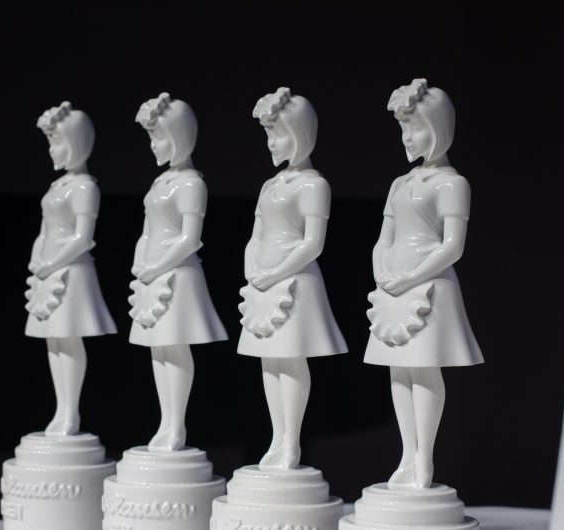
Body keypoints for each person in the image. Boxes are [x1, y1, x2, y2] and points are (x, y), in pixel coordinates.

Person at [364, 78, 483, 488]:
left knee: (424, 369)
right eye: (403, 127)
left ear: (438, 128)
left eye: (414, 127)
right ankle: (407, 455)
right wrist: (381, 272)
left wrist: (411, 277)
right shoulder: (400, 184)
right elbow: (383, 238)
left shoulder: (452, 184)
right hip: (394, 286)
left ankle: (424, 461)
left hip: (428, 287)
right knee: (399, 371)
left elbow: (453, 246)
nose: (407, 136)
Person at [238, 87, 347, 470]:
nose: (272, 142)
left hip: (294, 283)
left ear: (300, 133)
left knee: (291, 358)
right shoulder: (270, 186)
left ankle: (292, 442)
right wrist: (253, 269)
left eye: (279, 132)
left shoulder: (314, 185)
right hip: (264, 282)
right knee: (269, 361)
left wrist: (275, 272)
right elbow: (256, 235)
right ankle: (277, 437)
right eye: (269, 133)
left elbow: (313, 243)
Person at [129, 93, 227, 452]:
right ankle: (165, 421)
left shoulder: (191, 184)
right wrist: (140, 262)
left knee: (176, 346)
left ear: (179, 135)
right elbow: (146, 230)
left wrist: (157, 265)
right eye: (151, 137)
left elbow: (190, 238)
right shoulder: (160, 183)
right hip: (152, 273)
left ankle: (177, 426)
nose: (154, 145)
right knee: (158, 349)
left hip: (177, 274)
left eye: (158, 136)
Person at [26, 101, 116, 437]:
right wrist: (37, 260)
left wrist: (52, 262)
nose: (53, 149)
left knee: (69, 337)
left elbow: (83, 237)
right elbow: (45, 230)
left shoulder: (85, 187)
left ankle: (71, 412)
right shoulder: (57, 187)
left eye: (58, 141)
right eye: (51, 142)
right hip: (48, 270)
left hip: (71, 271)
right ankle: (60, 408)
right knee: (54, 341)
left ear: (77, 142)